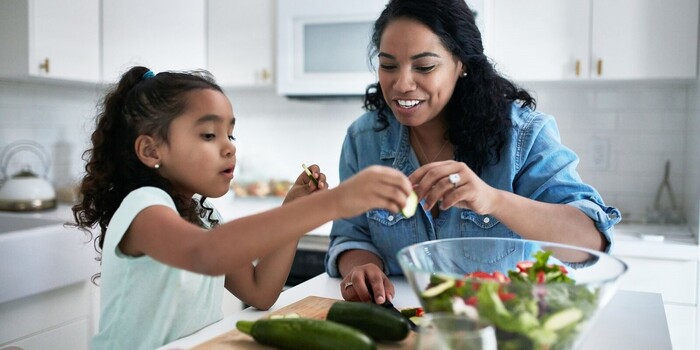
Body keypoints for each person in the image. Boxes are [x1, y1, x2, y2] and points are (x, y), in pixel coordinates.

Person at [71, 66, 414, 349]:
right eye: (208, 135)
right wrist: (335, 201)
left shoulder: (204, 217)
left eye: (230, 135)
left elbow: (260, 291)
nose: (229, 148)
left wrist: (292, 210)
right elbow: (205, 254)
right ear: (150, 151)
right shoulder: (144, 207)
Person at [325, 0, 622, 305]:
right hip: (405, 324)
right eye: (388, 65)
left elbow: (591, 242)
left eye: (424, 66)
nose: (401, 83)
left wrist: (493, 200)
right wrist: (362, 266)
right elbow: (352, 235)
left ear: (461, 64)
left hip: (504, 325)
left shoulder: (523, 134)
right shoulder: (364, 139)